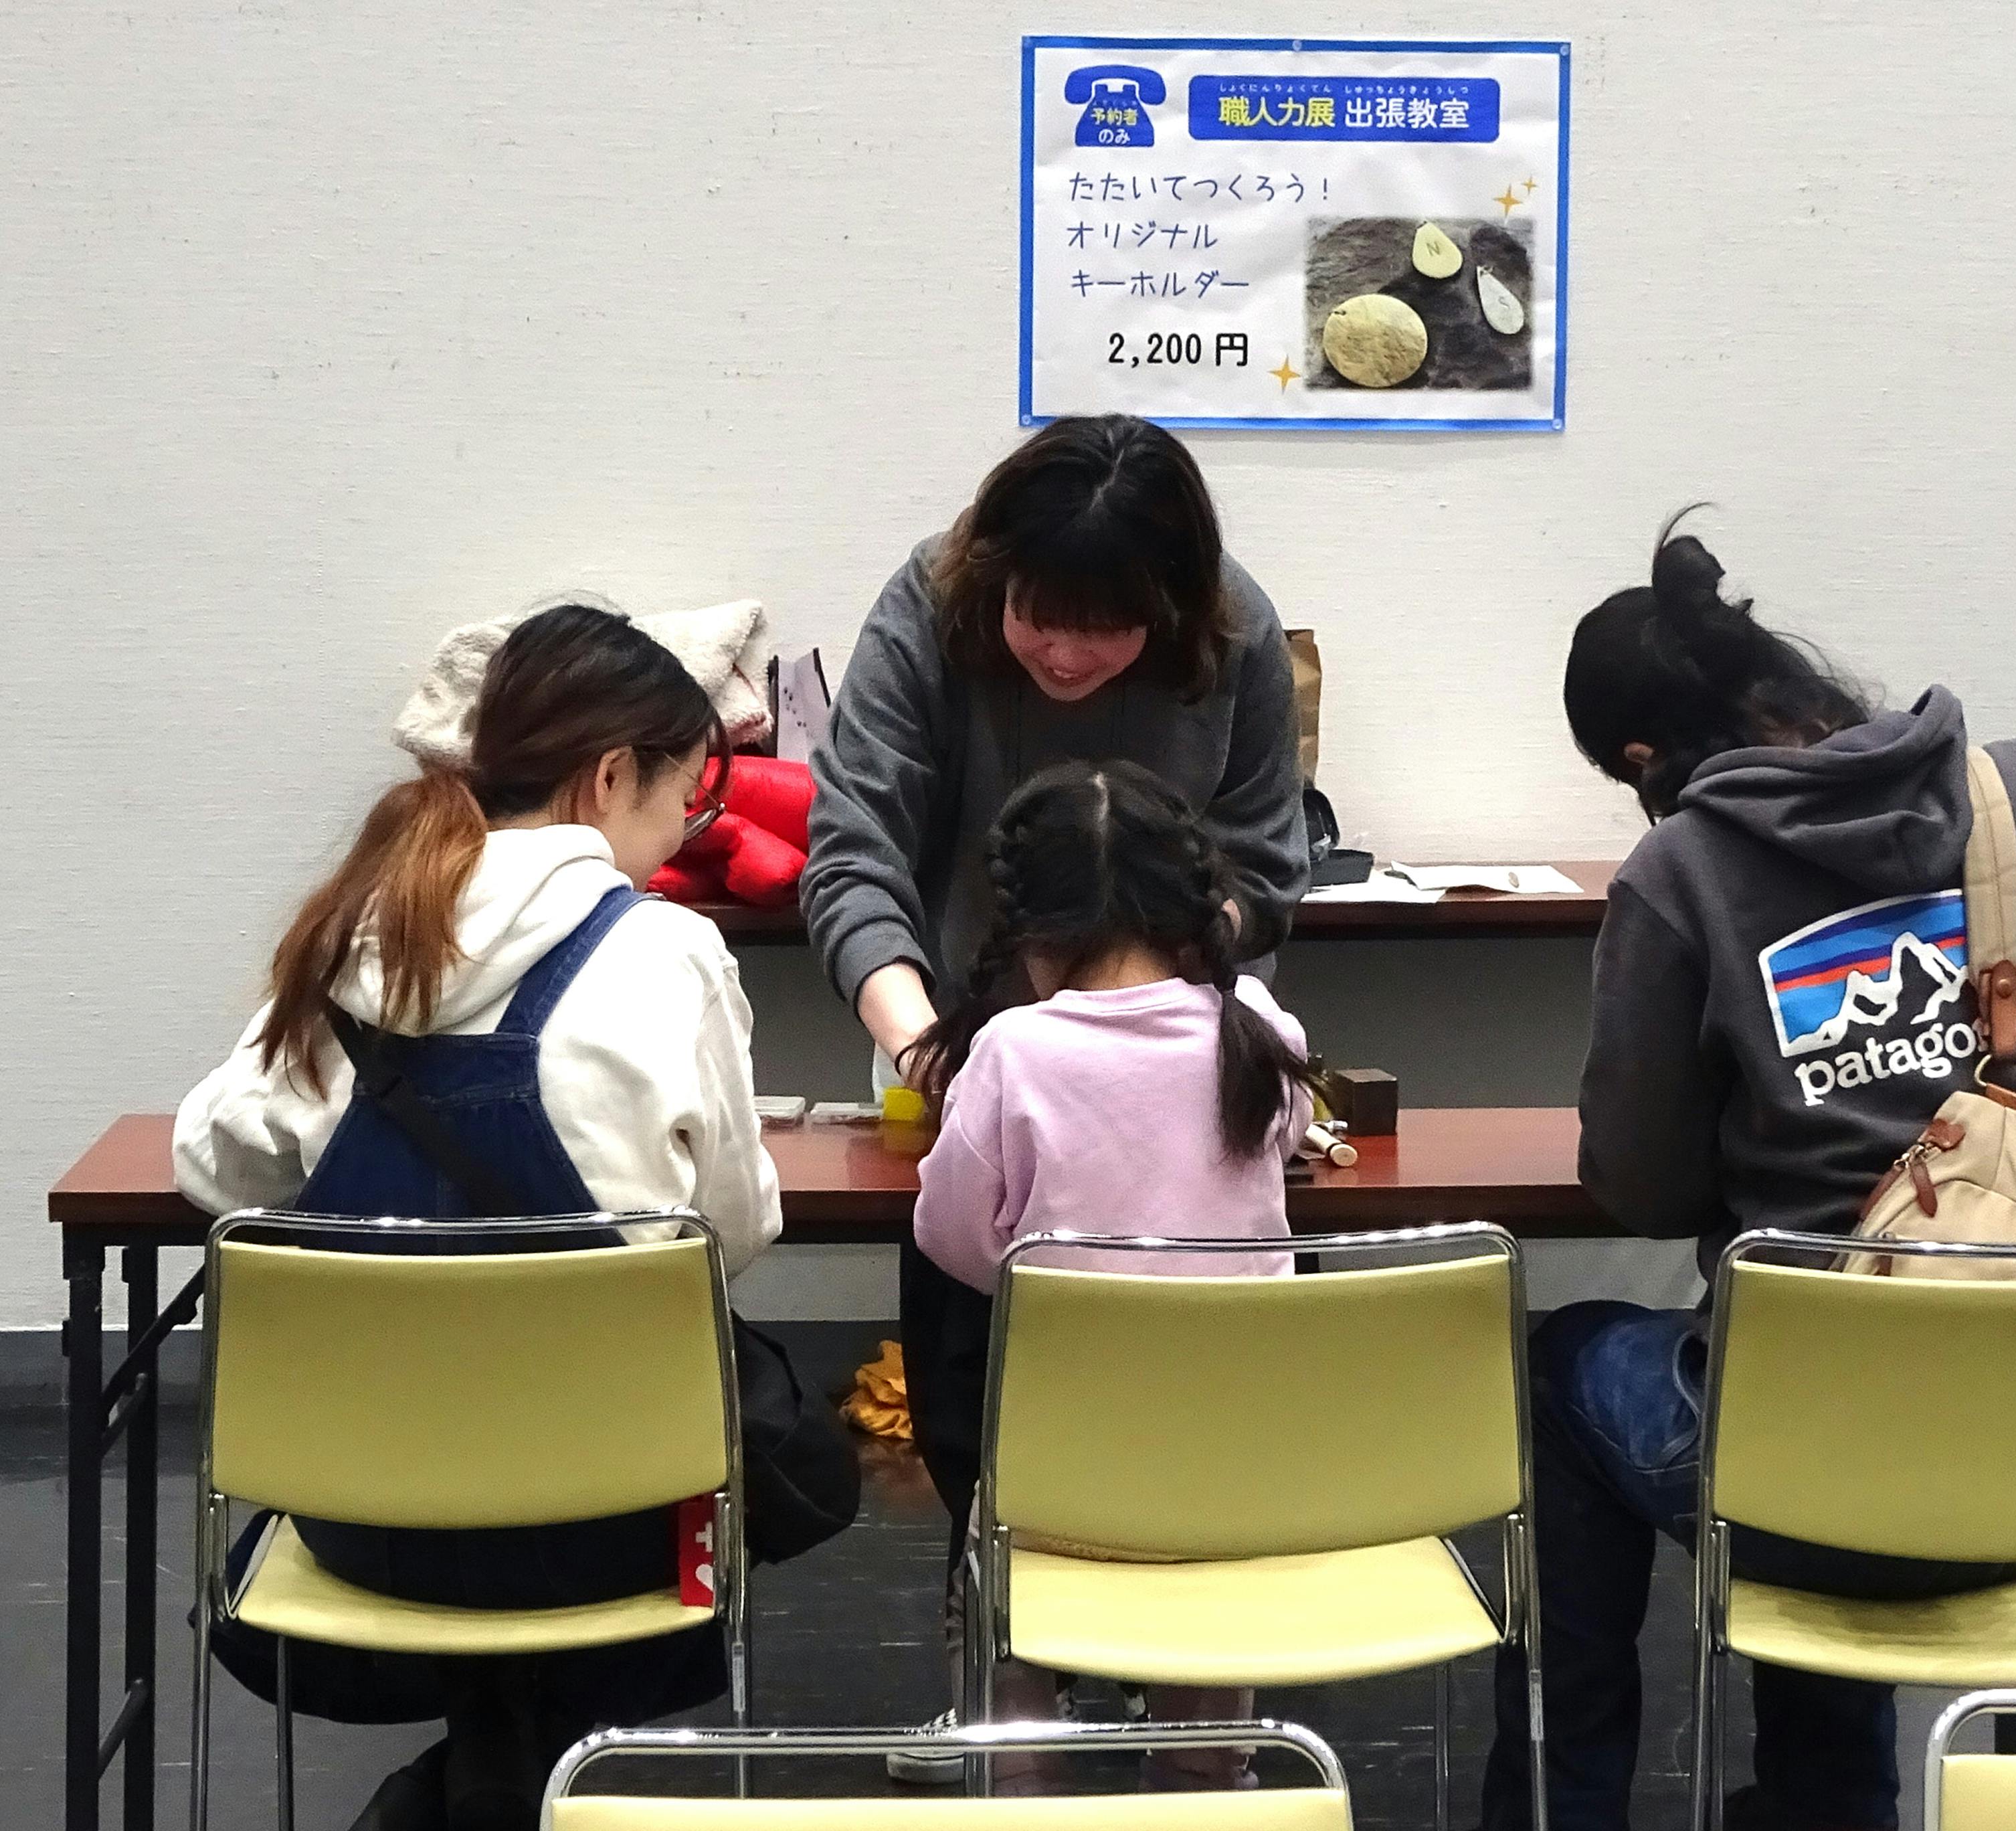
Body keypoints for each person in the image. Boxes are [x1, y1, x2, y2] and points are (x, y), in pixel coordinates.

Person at [1476, 513, 2016, 1831]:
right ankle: (1823, 1800)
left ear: (1643, 761)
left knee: (1579, 1365)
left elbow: (1638, 1191)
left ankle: (1578, 1811)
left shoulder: (1681, 875)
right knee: (1834, 1372)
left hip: (1819, 1486)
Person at [175, 604, 861, 1831]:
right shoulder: (669, 953)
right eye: (687, 799)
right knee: (781, 1449)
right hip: (611, 1527)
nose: (682, 832)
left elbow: (215, 1167)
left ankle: (483, 1764)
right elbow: (732, 1235)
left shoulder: (365, 926)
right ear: (612, 776)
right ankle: (526, 1766)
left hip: (367, 1519)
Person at [801, 413, 1308, 1764]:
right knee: (985, 1424)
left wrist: (1161, 998)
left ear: (1176, 608)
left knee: (1068, 1407)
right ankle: (1055, 1690)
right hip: (966, 1037)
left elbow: (1270, 867)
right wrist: (937, 1051)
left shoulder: (1241, 633)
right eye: (1042, 619)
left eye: (1112, 629)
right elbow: (854, 853)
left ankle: (1050, 1715)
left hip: (1162, 1033)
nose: (1071, 656)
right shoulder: (928, 606)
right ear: (994, 580)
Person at [905, 758, 1319, 1792]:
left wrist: (1052, 1272)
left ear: (1030, 932)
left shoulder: (1012, 1052)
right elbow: (1282, 1148)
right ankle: (1207, 1777)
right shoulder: (1260, 1031)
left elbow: (949, 1235)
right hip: (1245, 1477)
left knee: (998, 1574)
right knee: (1209, 1600)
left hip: (1058, 1482)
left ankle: (1020, 1778)